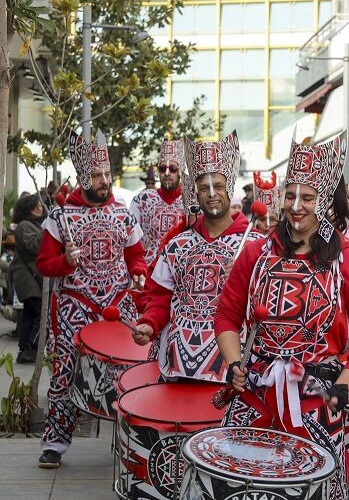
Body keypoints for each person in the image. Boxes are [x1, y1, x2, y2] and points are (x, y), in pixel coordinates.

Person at [214, 132, 349, 500]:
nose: (296, 206)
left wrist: (345, 381)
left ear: (326, 203)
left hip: (317, 403)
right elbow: (226, 316)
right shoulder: (255, 255)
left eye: (307, 197)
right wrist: (232, 364)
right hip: (253, 397)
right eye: (290, 195)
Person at [36, 130, 146, 468]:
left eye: (106, 175)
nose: (104, 181)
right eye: (97, 175)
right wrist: (66, 263)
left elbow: (136, 256)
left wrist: (140, 271)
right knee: (65, 373)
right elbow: (44, 265)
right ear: (83, 177)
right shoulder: (60, 218)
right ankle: (55, 442)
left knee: (128, 373)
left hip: (118, 304)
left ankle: (127, 441)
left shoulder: (124, 214)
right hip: (76, 306)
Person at [133, 131, 263, 383]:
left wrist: (249, 278)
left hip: (234, 369)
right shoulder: (177, 245)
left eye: (219, 186)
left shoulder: (258, 245)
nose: (212, 194)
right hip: (179, 366)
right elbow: (159, 298)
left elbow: (269, 305)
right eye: (204, 188)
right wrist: (149, 323)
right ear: (196, 193)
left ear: (230, 189)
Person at [129, 141, 184, 266]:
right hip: (148, 271)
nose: (167, 173)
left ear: (180, 171)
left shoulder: (192, 201)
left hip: (180, 269)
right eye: (162, 168)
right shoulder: (142, 200)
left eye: (173, 169)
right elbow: (130, 239)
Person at [9, 193, 45, 364]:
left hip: (29, 278)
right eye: (36, 205)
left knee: (30, 313)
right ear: (28, 209)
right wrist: (47, 230)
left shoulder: (30, 225)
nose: (40, 207)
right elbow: (33, 246)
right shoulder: (25, 226)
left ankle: (25, 350)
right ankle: (32, 348)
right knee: (41, 312)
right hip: (27, 279)